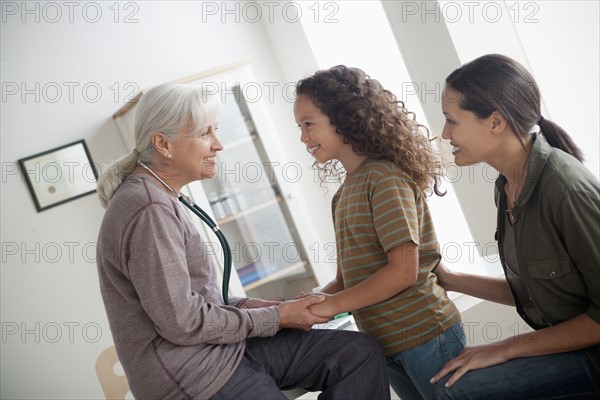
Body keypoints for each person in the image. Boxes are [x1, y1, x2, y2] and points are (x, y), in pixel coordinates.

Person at [95, 83, 391, 400]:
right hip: (195, 377)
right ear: (163, 144)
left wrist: (270, 309)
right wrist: (277, 318)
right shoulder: (149, 209)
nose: (218, 145)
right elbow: (182, 322)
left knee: (356, 355)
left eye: (216, 131)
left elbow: (203, 300)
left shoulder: (161, 198)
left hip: (223, 351)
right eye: (205, 133)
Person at [430, 53, 600, 399]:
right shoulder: (507, 187)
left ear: (495, 122)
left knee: (458, 390)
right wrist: (450, 279)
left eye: (451, 121)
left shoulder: (565, 188)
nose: (445, 133)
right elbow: (539, 291)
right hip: (570, 348)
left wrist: (508, 347)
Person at [293, 65, 465, 400]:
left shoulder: (383, 179)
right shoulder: (343, 194)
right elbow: (349, 278)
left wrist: (333, 305)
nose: (302, 137)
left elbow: (402, 272)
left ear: (343, 118)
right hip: (385, 344)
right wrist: (313, 302)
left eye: (308, 124)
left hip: (425, 334)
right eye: (299, 127)